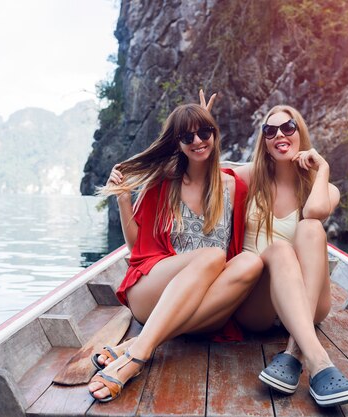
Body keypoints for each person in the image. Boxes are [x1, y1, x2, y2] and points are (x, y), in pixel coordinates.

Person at [87, 101, 263, 402]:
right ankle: (136, 358)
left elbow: (272, 163)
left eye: (204, 132)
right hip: (154, 291)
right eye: (187, 137)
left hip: (204, 302)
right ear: (177, 143)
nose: (197, 141)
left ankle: (138, 342)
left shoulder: (234, 187)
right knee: (213, 255)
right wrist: (123, 200)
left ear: (215, 134)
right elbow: (135, 248)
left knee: (250, 262)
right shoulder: (164, 183)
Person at [232, 104, 348, 407]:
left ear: (299, 133)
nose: (279, 134)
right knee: (278, 249)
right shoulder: (251, 177)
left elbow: (315, 211)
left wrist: (323, 169)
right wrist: (200, 127)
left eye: (288, 128)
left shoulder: (324, 187)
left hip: (310, 301)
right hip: (259, 305)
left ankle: (294, 351)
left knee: (311, 228)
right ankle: (318, 360)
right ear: (264, 143)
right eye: (270, 130)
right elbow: (205, 175)